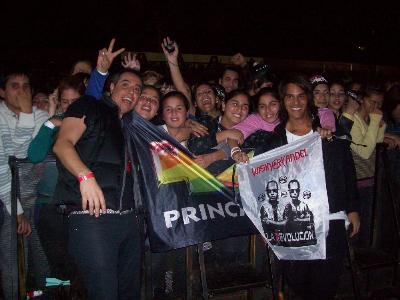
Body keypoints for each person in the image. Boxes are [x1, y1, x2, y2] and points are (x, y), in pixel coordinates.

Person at [235, 74, 360, 300]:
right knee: (296, 284)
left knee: (325, 286)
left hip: (330, 221)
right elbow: (263, 183)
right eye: (290, 97)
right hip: (290, 228)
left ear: (309, 98)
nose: (296, 102)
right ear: (283, 101)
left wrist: (352, 209)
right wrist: (266, 226)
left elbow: (347, 173)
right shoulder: (274, 142)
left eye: (301, 96)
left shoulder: (327, 136)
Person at [52, 39, 144, 299]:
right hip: (92, 219)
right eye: (125, 84)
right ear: (111, 87)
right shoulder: (88, 106)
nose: (132, 91)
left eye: (137, 89)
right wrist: (85, 176)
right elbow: (63, 144)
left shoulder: (130, 125)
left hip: (129, 220)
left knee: (129, 293)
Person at [0, 70, 50, 299]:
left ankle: (42, 291)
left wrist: (29, 113)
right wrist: (17, 210)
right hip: (6, 193)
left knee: (37, 250)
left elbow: (27, 156)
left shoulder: (40, 117)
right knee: (13, 248)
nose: (22, 91)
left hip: (31, 193)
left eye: (26, 86)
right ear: (2, 92)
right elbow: (5, 165)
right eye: (14, 86)